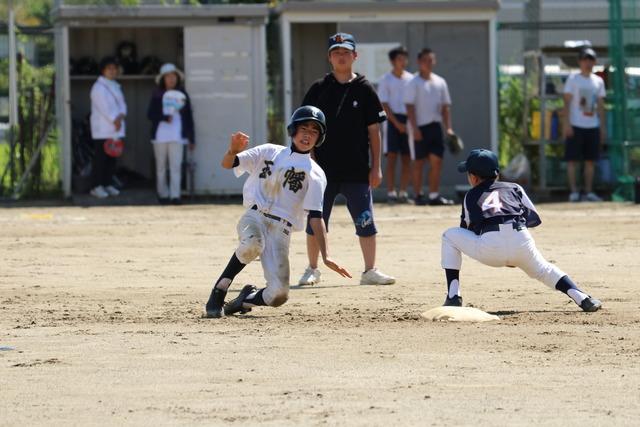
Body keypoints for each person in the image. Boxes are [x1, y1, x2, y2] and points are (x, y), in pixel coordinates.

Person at [204, 106, 351, 318]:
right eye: (303, 128)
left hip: (281, 230)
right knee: (252, 245)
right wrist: (232, 150)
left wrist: (326, 257)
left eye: (314, 130)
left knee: (279, 295)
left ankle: (244, 300)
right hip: (255, 216)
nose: (307, 134)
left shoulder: (316, 174)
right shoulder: (269, 151)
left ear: (319, 137)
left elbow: (317, 218)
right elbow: (228, 164)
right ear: (292, 130)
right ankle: (219, 290)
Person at [440, 148, 602, 312]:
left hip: (491, 248)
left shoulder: (471, 195)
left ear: (473, 178)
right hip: (520, 239)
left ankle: (453, 297)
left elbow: (468, 230)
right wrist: (513, 248)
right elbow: (533, 218)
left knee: (449, 236)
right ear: (497, 174)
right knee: (544, 270)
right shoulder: (514, 188)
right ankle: (583, 298)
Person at [296, 32, 396, 287]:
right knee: (316, 220)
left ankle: (370, 270)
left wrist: (377, 167)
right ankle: (312, 269)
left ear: (355, 56)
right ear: (329, 57)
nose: (341, 56)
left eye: (346, 52)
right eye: (336, 52)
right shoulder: (319, 89)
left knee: (365, 220)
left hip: (358, 169)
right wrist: (308, 161)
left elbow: (375, 131)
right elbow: (305, 129)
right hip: (322, 170)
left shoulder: (365, 90)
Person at [404, 48, 454, 206]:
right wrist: (415, 128)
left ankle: (434, 195)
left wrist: (448, 128)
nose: (429, 63)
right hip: (419, 127)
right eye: (425, 60)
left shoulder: (440, 82)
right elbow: (409, 107)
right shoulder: (413, 82)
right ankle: (418, 195)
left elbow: (446, 108)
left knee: (436, 161)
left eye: (431, 60)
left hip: (435, 127)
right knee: (418, 162)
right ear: (419, 62)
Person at [147, 63, 195, 205]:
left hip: (177, 135)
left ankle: (175, 195)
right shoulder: (156, 95)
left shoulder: (183, 95)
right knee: (161, 166)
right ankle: (162, 194)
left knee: (176, 166)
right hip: (160, 136)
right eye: (168, 76)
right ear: (163, 79)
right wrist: (163, 117)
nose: (171, 79)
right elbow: (150, 114)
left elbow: (189, 117)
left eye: (173, 76)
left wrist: (191, 138)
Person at [562, 48, 606, 202]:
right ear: (580, 62)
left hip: (592, 125)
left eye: (591, 59)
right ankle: (574, 192)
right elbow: (566, 103)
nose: (588, 63)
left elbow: (600, 105)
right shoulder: (573, 79)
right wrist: (566, 124)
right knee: (572, 160)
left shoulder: (598, 81)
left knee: (590, 161)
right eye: (585, 59)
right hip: (575, 125)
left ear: (594, 62)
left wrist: (602, 127)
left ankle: (588, 192)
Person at [377, 46, 413, 204]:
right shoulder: (386, 79)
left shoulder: (411, 79)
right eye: (399, 58)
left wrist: (409, 122)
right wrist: (397, 123)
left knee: (407, 157)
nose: (403, 61)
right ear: (392, 61)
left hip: (408, 120)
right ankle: (391, 192)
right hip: (391, 121)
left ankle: (403, 192)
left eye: (405, 58)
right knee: (392, 157)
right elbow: (383, 103)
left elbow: (413, 103)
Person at [89, 56, 127, 199]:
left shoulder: (116, 86)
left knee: (112, 158)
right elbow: (103, 107)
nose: (112, 71)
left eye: (114, 69)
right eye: (109, 68)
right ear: (103, 70)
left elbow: (123, 104)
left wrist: (122, 116)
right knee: (101, 159)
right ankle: (96, 186)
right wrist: (115, 119)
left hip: (116, 129)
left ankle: (107, 183)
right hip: (103, 130)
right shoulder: (98, 87)